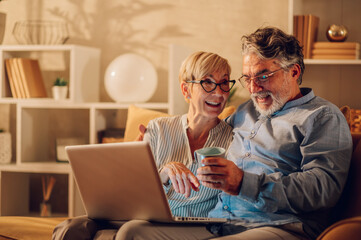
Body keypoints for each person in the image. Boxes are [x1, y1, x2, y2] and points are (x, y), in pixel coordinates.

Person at [115, 27, 353, 240]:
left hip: (278, 225)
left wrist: (243, 183)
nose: (253, 88)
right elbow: (206, 128)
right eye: (247, 78)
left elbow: (323, 189)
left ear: (293, 71)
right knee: (132, 232)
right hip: (219, 224)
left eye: (262, 76)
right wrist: (145, 150)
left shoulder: (322, 116)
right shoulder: (247, 110)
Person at [52, 51, 235, 239]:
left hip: (191, 224)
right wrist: (162, 175)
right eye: (208, 82)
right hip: (140, 217)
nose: (219, 92)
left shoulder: (233, 139)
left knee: (130, 232)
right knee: (70, 228)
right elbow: (132, 192)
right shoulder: (157, 128)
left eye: (224, 83)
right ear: (186, 90)